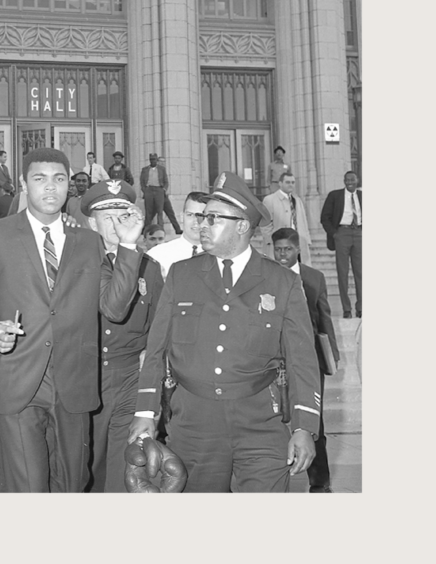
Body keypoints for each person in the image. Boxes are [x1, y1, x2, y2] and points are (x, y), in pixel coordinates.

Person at [0, 147, 144, 493]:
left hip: (74, 381)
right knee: (26, 485)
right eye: (40, 179)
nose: (50, 188)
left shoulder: (88, 241)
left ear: (70, 185)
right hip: (17, 379)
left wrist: (129, 248)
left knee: (72, 483)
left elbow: (114, 309)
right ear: (24, 184)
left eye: (59, 179)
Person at [128, 171, 321, 493]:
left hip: (260, 421)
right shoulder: (181, 275)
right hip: (193, 423)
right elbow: (156, 349)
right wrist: (146, 412)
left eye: (213, 219)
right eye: (201, 218)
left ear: (242, 225)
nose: (201, 225)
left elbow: (302, 360)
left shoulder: (282, 282)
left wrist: (305, 427)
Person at [83, 180, 165, 493]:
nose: (117, 224)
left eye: (123, 215)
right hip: (87, 373)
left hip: (130, 374)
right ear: (91, 222)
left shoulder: (151, 268)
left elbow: (159, 327)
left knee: (125, 464)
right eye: (107, 217)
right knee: (86, 463)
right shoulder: (77, 265)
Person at [273, 227, 340, 493]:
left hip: (308, 361)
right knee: (275, 421)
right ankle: (276, 478)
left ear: (298, 249)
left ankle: (319, 483)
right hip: (274, 361)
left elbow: (324, 318)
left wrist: (330, 356)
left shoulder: (314, 278)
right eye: (277, 249)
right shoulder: (267, 275)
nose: (282, 254)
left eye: (287, 249)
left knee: (314, 423)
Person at [320, 170, 362, 318]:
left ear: (357, 180)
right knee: (342, 273)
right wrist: (334, 234)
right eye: (346, 179)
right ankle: (346, 309)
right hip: (342, 234)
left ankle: (361, 307)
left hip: (359, 234)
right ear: (344, 181)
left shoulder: (362, 196)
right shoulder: (335, 195)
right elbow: (325, 217)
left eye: (352, 179)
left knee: (361, 273)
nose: (349, 182)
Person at [146, 191, 208, 279]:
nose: (196, 221)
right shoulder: (157, 256)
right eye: (190, 215)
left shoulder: (220, 256)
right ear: (182, 217)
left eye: (201, 216)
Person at [261, 173, 313, 267]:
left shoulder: (297, 200)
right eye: (288, 182)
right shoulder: (269, 200)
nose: (291, 185)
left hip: (297, 242)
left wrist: (307, 240)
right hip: (279, 244)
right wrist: (270, 240)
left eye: (293, 182)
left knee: (298, 271)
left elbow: (304, 222)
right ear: (280, 183)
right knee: (280, 272)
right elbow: (264, 224)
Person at [139, 153, 169, 228]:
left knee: (159, 210)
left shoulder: (162, 169)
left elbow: (166, 181)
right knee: (148, 211)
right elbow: (142, 181)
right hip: (149, 190)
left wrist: (163, 190)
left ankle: (160, 228)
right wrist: (144, 190)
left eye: (154, 159)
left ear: (157, 160)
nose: (153, 161)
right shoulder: (145, 169)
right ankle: (147, 228)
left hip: (159, 189)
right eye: (151, 159)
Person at [0, 149, 15, 217]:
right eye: (4, 157)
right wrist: (5, 185)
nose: (6, 159)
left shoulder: (5, 168)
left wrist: (11, 184)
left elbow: (8, 178)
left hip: (6, 192)